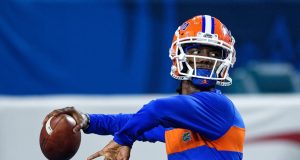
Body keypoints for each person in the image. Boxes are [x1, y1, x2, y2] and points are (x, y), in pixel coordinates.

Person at [43, 15, 245, 160]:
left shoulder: (219, 107)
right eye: (198, 50)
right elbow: (133, 121)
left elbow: (155, 110)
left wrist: (123, 139)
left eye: (213, 54)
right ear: (178, 54)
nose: (205, 59)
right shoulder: (180, 119)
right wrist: (88, 121)